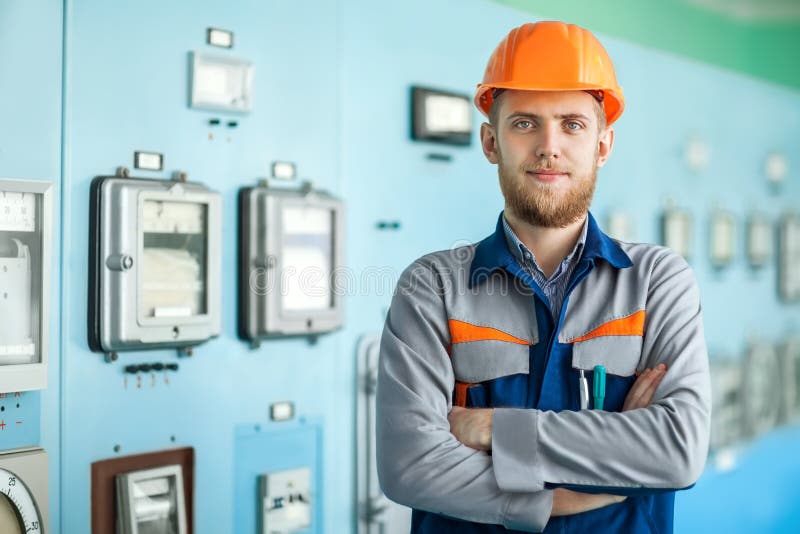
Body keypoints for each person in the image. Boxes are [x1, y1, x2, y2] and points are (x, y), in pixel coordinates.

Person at [376, 21, 711, 533]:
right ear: (491, 142)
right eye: (525, 123)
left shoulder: (657, 282)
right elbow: (409, 465)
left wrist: (491, 428)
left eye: (573, 124)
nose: (549, 146)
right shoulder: (433, 289)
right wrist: (572, 490)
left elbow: (677, 451)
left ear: (603, 144)